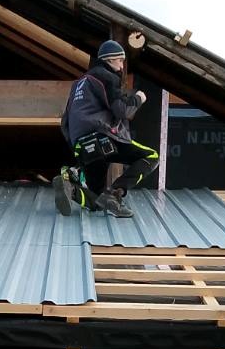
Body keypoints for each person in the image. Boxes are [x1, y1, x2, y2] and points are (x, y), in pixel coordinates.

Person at [54, 40, 160, 218]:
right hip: (103, 138)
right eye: (120, 61)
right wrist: (138, 99)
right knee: (152, 156)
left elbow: (65, 123)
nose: (121, 67)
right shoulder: (107, 77)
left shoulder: (78, 85)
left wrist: (78, 150)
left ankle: (70, 188)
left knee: (98, 202)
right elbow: (122, 110)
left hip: (82, 145)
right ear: (110, 59)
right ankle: (116, 192)